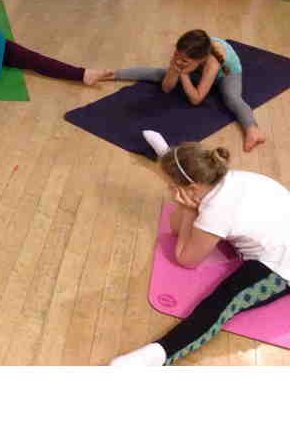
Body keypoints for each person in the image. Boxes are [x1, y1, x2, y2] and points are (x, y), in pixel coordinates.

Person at [110, 140, 290, 365]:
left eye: (171, 186)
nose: (169, 192)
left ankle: (160, 354)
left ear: (193, 188)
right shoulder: (230, 177)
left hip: (281, 266)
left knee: (224, 300)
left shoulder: (215, 211)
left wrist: (188, 208)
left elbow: (186, 258)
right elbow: (177, 228)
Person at [102, 29, 266, 152]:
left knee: (232, 98)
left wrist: (184, 75)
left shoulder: (212, 63)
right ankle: (111, 74)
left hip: (226, 73)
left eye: (184, 60)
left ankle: (253, 130)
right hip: (197, 69)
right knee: (158, 73)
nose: (178, 61)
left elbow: (196, 99)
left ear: (200, 60)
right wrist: (175, 70)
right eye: (176, 55)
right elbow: (166, 88)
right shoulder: (184, 56)